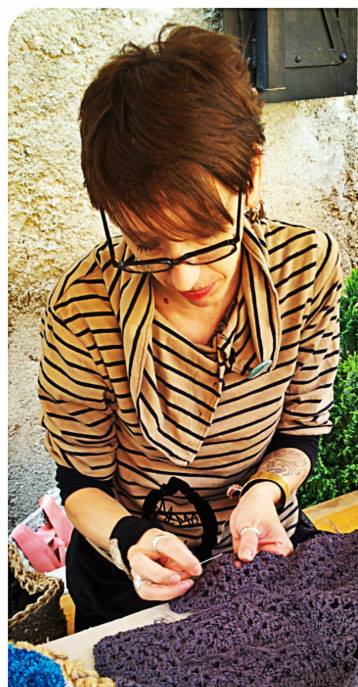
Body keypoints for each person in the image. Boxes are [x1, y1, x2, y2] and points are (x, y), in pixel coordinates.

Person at [38, 25, 342, 629]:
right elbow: (79, 484)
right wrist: (131, 540)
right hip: (128, 580)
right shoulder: (82, 309)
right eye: (147, 243)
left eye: (206, 234)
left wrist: (263, 495)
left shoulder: (306, 268)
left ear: (251, 175)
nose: (185, 276)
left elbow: (301, 433)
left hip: (265, 553)